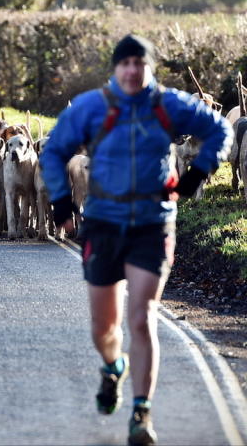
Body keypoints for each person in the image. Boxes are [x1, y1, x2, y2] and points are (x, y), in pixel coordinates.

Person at [40, 35, 232, 446]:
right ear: (115, 68)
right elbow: (53, 150)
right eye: (124, 63)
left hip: (152, 223)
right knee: (103, 327)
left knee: (142, 317)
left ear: (149, 68)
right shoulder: (93, 106)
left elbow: (219, 130)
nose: (131, 70)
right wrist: (60, 204)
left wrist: (196, 175)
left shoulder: (168, 104)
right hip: (104, 223)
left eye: (138, 64)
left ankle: (141, 413)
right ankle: (113, 368)